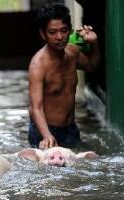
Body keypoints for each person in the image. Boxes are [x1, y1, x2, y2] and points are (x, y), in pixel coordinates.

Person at [27, 2, 100, 149]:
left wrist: (94, 44)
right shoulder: (38, 65)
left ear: (70, 30)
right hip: (45, 131)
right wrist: (47, 136)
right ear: (43, 34)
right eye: (52, 32)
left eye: (64, 30)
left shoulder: (73, 53)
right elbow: (36, 108)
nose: (59, 37)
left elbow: (92, 66)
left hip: (70, 129)